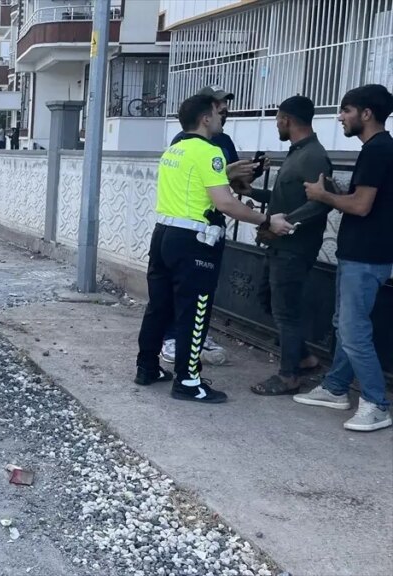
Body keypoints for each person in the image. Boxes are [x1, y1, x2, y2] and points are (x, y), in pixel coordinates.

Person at [134, 94, 294, 404]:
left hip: (164, 235)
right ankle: (188, 381)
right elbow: (225, 203)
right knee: (194, 310)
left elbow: (195, 185)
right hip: (194, 241)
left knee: (159, 306)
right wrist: (267, 220)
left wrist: (228, 174)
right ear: (205, 118)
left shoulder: (174, 150)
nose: (222, 117)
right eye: (218, 113)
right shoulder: (210, 152)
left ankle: (147, 367)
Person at [295, 84, 393, 432]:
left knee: (353, 331)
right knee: (344, 324)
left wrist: (323, 196)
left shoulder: (378, 150)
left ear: (367, 113)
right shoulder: (377, 149)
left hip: (367, 257)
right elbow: (368, 202)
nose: (340, 117)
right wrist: (338, 192)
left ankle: (377, 404)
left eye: (346, 110)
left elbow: (361, 206)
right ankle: (336, 387)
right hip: (358, 255)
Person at [159, 86, 257, 366]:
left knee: (199, 295)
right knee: (185, 293)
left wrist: (244, 177)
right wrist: (264, 220)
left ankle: (193, 341)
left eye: (225, 103)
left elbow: (226, 185)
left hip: (204, 229)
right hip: (192, 231)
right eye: (218, 105)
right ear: (206, 113)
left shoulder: (221, 141)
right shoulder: (189, 143)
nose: (223, 109)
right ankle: (182, 358)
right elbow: (206, 184)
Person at [246, 96, 333, 396]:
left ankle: (288, 376)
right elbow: (284, 199)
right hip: (280, 246)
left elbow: (321, 203)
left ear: (286, 120)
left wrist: (285, 224)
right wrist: (252, 193)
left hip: (294, 249)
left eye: (277, 120)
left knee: (286, 312)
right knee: (268, 300)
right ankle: (305, 359)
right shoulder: (298, 153)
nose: (277, 126)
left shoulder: (313, 156)